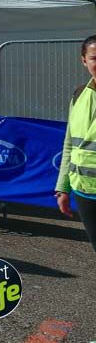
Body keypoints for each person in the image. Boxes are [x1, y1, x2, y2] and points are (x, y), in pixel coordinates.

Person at [56, 35, 96, 252]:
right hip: (84, 191)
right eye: (95, 58)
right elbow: (69, 144)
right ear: (84, 60)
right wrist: (63, 188)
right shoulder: (79, 95)